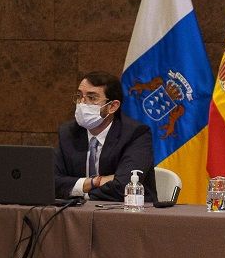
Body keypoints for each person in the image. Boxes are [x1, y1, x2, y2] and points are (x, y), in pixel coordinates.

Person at [53, 72, 154, 201]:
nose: (82, 103)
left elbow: (124, 186)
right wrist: (95, 181)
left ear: (112, 106)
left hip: (129, 210)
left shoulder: (136, 134)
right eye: (79, 96)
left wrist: (80, 191)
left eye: (92, 98)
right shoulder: (68, 132)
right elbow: (51, 182)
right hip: (78, 211)